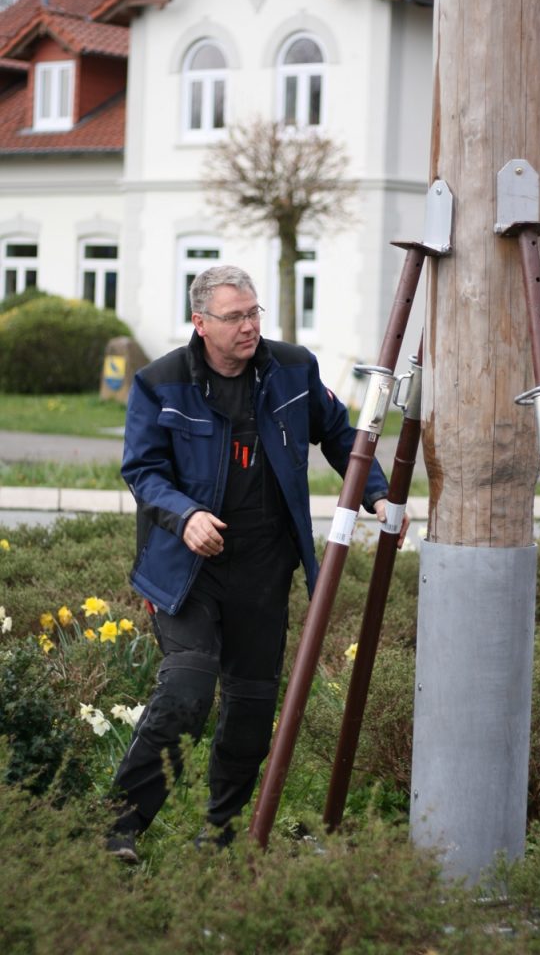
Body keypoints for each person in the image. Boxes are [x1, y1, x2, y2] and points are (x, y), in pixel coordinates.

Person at [106, 265, 407, 863]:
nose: (249, 326)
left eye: (254, 313)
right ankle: (118, 828)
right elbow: (143, 471)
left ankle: (218, 834)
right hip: (187, 569)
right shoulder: (159, 383)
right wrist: (186, 514)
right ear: (201, 323)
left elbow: (341, 434)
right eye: (235, 317)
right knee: (188, 690)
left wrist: (375, 490)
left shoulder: (293, 369)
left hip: (265, 569)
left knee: (250, 707)